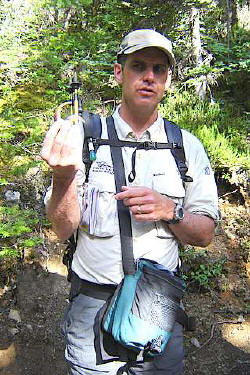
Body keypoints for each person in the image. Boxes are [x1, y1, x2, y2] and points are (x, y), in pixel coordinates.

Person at [41, 29, 220, 375]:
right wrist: (62, 178)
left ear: (167, 79)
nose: (149, 77)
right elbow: (62, 230)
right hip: (91, 306)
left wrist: (171, 210)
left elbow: (205, 234)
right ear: (119, 73)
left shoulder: (187, 147)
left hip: (158, 306)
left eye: (159, 69)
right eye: (138, 66)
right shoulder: (85, 137)